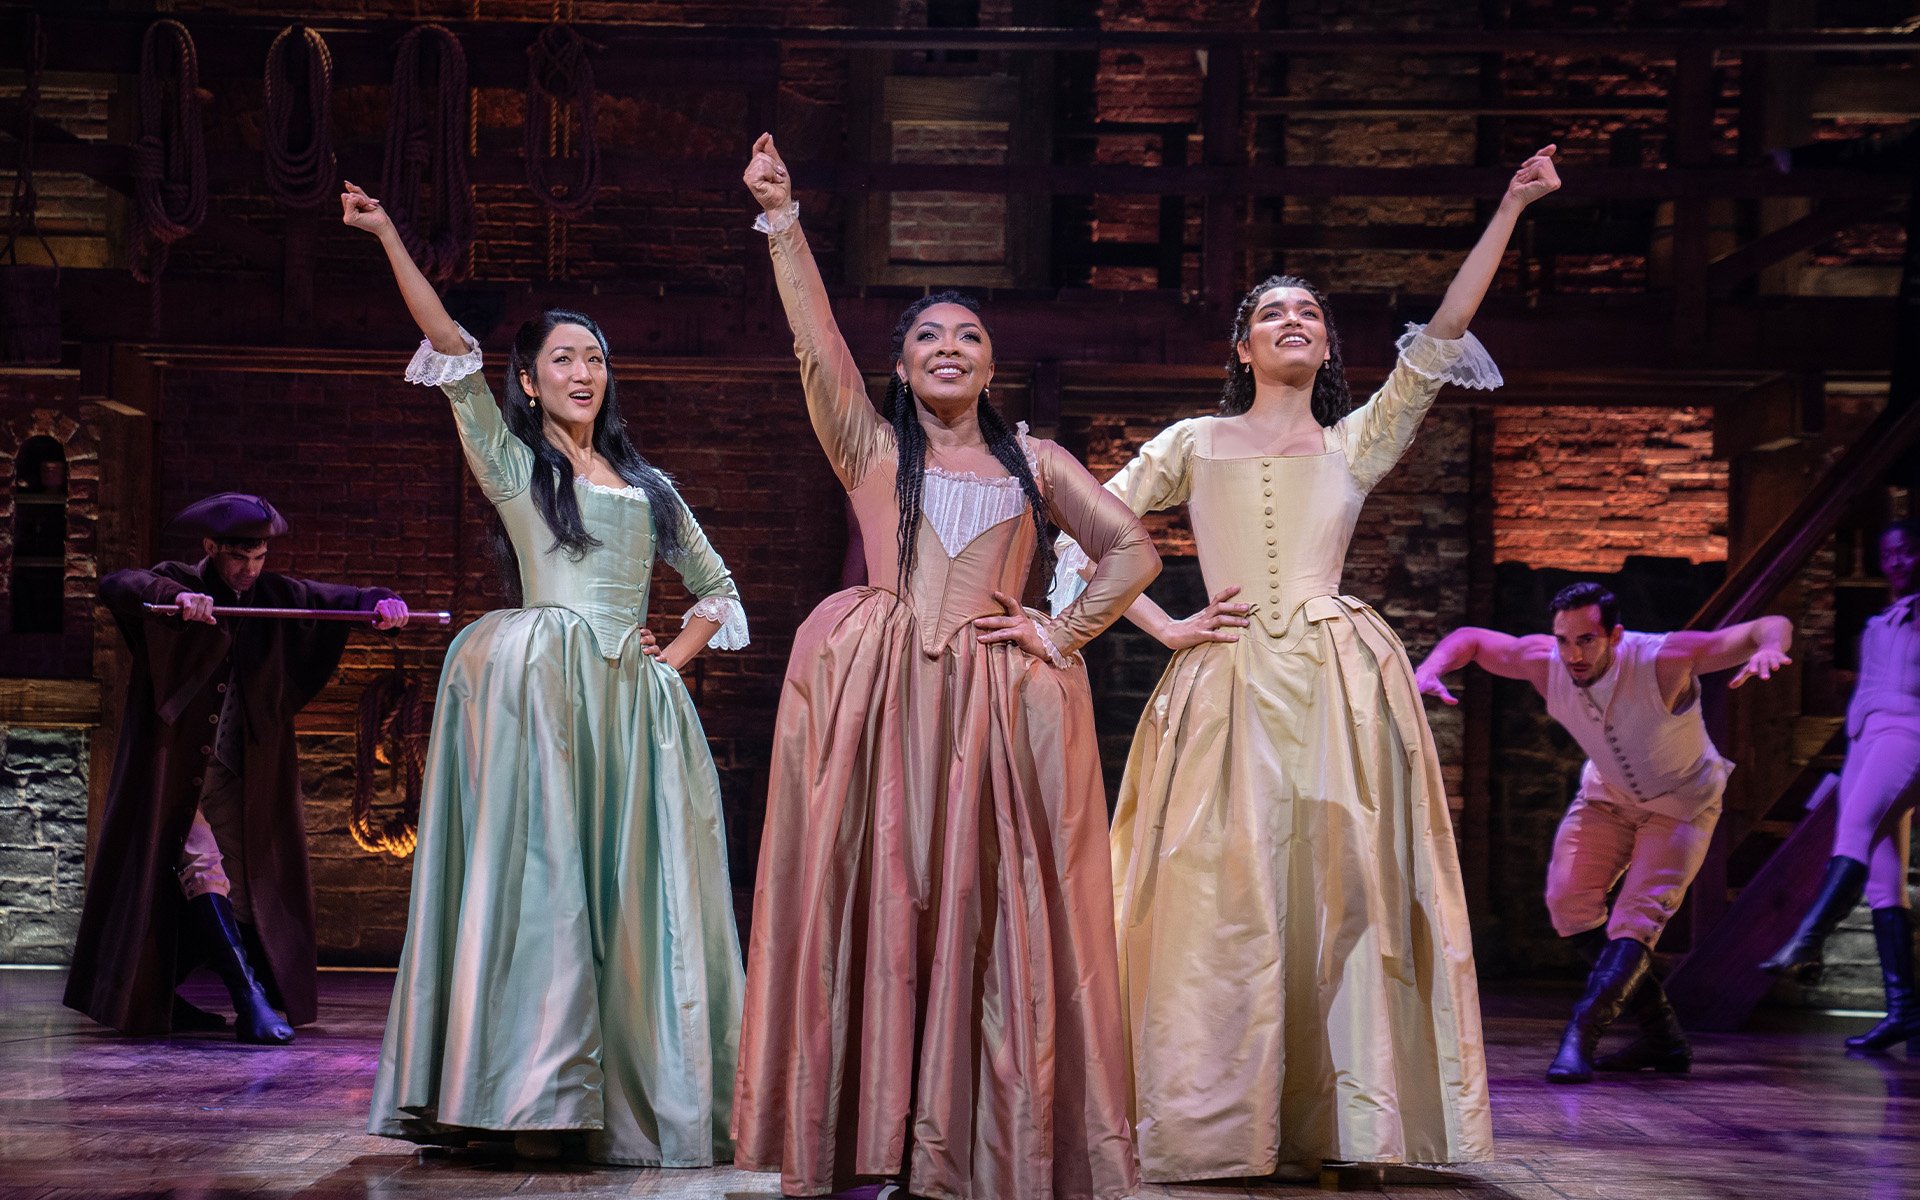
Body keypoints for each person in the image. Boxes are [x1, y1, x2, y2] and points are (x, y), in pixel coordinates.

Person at [1051, 147, 1562, 1178]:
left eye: (1312, 315)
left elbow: (1445, 334)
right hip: (1228, 678)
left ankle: (1349, 1122)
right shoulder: (1194, 439)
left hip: (1336, 685)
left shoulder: (1354, 444)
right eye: (1274, 312)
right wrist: (1162, 627)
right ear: (1240, 345)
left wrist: (1510, 206)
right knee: (1218, 892)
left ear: (1326, 348)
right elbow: (1081, 538)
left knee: (1344, 895)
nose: (1295, 321)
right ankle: (1209, 1120)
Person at [730, 134, 1159, 1200]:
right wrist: (784, 219)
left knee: (989, 917)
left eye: (969, 335)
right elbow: (815, 346)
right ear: (904, 362)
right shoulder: (873, 450)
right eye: (929, 335)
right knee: (887, 900)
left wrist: (1061, 634)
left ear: (992, 364)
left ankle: (978, 1141)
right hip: (886, 707)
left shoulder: (1038, 462)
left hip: (992, 715)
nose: (950, 347)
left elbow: (1135, 549)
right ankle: (873, 1135)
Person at [343, 181, 749, 1166]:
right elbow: (449, 347)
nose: (582, 371)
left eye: (595, 357)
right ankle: (527, 1096)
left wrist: (674, 659)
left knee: (629, 899)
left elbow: (716, 588)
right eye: (563, 358)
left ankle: (624, 1096)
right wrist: (391, 232)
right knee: (542, 893)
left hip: (629, 707)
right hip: (542, 697)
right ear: (529, 379)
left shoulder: (649, 487)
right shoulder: (515, 462)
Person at [65, 493, 410, 1043]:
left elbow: (344, 599)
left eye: (258, 559)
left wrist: (384, 604)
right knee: (202, 869)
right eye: (237, 559)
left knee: (249, 892)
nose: (248, 572)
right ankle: (247, 998)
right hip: (173, 774)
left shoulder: (275, 595)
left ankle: (168, 997)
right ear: (210, 548)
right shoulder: (176, 579)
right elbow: (118, 585)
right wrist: (178, 597)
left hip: (233, 776)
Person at [1416, 583, 1792, 1081]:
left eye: (1587, 640)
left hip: (1680, 803)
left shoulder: (1664, 657)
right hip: (1606, 797)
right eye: (1564, 640)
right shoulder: (1545, 661)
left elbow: (1767, 626)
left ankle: (1581, 1035)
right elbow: (1474, 640)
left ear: (1615, 635)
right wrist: (1430, 668)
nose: (1573, 653)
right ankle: (1663, 1038)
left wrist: (1771, 648)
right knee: (1568, 904)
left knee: (1636, 919)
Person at [1761, 518, 1920, 1053]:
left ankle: (1808, 939)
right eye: (1889, 554)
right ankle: (1904, 1012)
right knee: (1883, 880)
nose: (1897, 562)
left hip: (1909, 735)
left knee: (1853, 829)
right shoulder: (1877, 625)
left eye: (1908, 552)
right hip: (1865, 740)